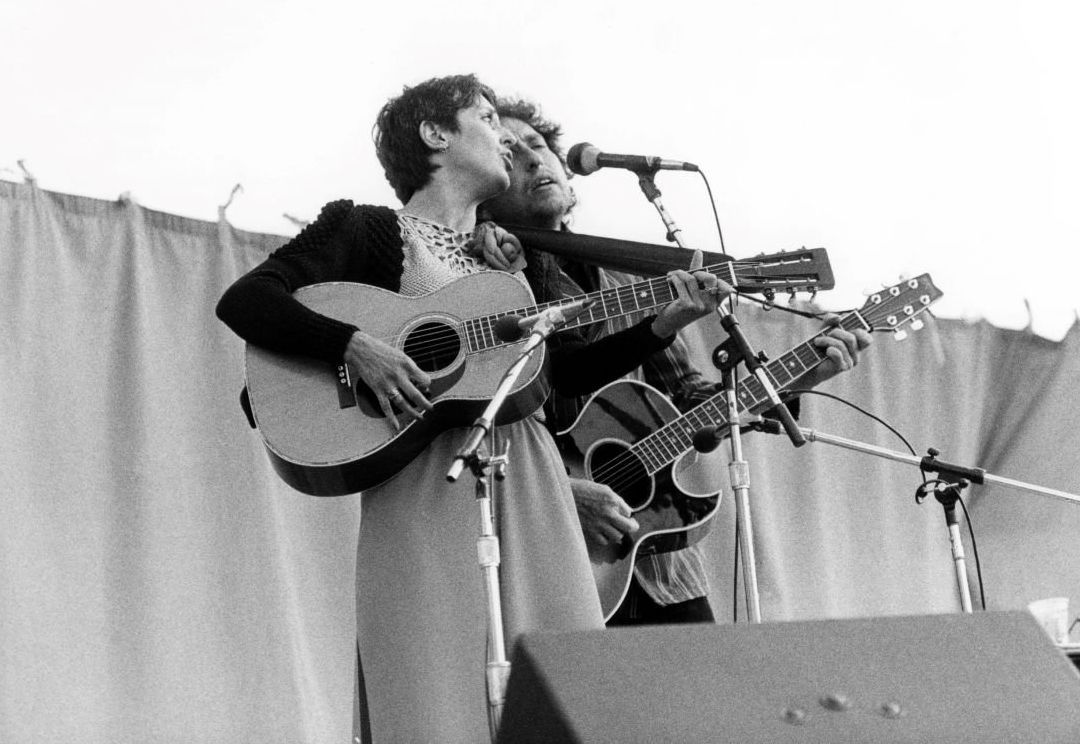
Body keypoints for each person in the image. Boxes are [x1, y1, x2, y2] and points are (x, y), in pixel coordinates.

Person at [215, 75, 731, 744]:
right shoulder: (368, 231)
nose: (508, 142)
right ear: (436, 135)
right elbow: (248, 301)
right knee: (435, 688)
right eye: (486, 119)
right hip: (428, 484)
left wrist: (663, 323)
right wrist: (353, 345)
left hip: (534, 483)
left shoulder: (513, 263)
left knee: (561, 685)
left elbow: (556, 371)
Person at [481, 96, 871, 626]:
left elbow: (686, 399)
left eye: (538, 145)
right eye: (507, 153)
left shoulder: (630, 279)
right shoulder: (490, 285)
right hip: (553, 560)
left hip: (663, 561)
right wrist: (559, 491)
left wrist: (798, 376)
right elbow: (483, 424)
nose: (532, 159)